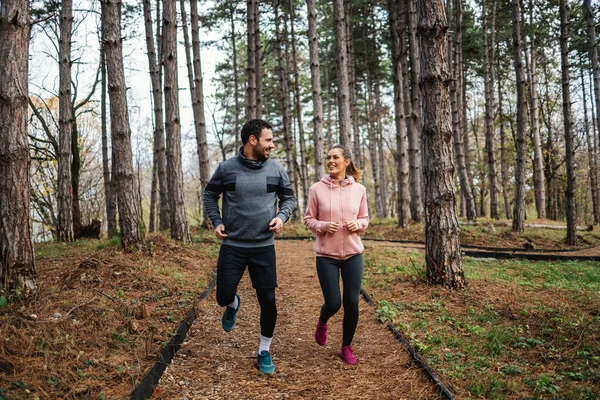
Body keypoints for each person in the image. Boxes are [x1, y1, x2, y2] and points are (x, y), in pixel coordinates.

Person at [203, 119, 295, 375]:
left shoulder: (276, 169)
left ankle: (264, 350)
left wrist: (282, 216)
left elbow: (288, 198)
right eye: (268, 140)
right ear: (252, 140)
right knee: (222, 297)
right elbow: (210, 194)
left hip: (263, 246)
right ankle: (233, 305)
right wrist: (217, 220)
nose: (272, 145)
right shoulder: (226, 169)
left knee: (268, 300)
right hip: (232, 245)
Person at [303, 144, 369, 365]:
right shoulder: (316, 189)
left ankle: (346, 347)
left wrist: (357, 224)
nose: (331, 161)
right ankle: (322, 321)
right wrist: (322, 226)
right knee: (333, 303)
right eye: (328, 157)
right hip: (326, 255)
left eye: (335, 157)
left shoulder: (359, 190)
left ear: (346, 162)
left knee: (352, 302)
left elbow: (365, 219)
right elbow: (308, 219)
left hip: (353, 254)